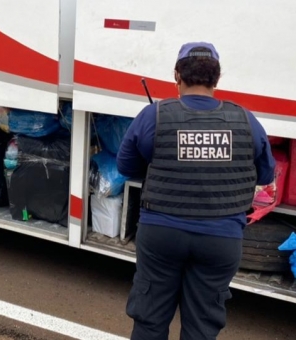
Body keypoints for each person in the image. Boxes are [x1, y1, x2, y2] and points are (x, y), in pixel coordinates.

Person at [117, 42, 275, 340]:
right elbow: (265, 173)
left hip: (161, 233)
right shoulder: (245, 120)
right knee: (202, 328)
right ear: (216, 79)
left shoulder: (155, 114)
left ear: (177, 75)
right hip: (221, 238)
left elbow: (127, 168)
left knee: (149, 320)